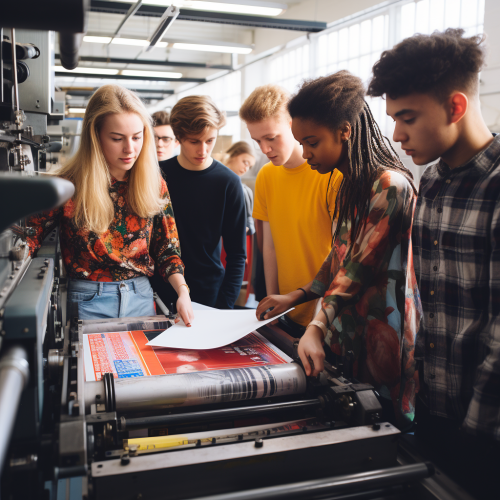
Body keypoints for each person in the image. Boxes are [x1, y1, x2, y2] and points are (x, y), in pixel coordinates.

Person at [368, 28, 500, 497]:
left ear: (456, 107)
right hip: (435, 410)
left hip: (486, 429)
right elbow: (430, 304)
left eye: (408, 117)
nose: (397, 134)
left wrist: (474, 430)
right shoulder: (434, 184)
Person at [257, 71, 421, 428]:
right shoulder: (349, 185)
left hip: (383, 336)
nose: (306, 153)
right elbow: (339, 256)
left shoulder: (389, 186)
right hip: (346, 332)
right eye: (302, 142)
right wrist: (297, 296)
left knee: (386, 431)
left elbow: (357, 268)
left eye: (312, 142)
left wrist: (316, 324)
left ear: (344, 131)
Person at [26, 85, 194, 325]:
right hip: (88, 300)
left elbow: (168, 249)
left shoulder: (154, 182)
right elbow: (28, 237)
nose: (130, 149)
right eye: (117, 138)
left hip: (141, 298)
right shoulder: (68, 186)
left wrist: (183, 293)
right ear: (95, 136)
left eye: (137, 137)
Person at [239, 84, 343, 333]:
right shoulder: (266, 176)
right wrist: (272, 300)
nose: (264, 149)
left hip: (325, 312)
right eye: (257, 141)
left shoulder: (331, 174)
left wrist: (320, 317)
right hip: (286, 310)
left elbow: (342, 255)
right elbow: (270, 247)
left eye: (271, 138)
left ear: (293, 126)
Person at [151, 95, 247, 310]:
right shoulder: (157, 176)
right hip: (158, 292)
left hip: (209, 294)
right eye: (194, 141)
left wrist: (225, 305)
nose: (202, 150)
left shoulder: (229, 182)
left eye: (210, 141)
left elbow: (237, 254)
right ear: (179, 137)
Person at [224, 140, 256, 235]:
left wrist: (247, 228)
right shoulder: (213, 179)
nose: (246, 168)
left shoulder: (245, 190)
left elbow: (249, 220)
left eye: (249, 166)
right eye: (245, 162)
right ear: (233, 155)